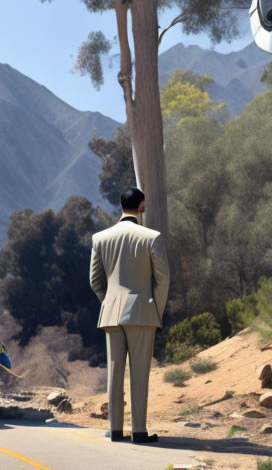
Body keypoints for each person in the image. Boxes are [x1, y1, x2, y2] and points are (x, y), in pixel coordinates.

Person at [89, 186, 170, 444]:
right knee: (139, 373)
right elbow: (163, 278)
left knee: (114, 372)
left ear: (120, 205)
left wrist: (109, 302)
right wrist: (154, 307)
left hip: (111, 313)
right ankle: (139, 432)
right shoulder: (152, 237)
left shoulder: (100, 238)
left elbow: (95, 281)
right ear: (142, 206)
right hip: (141, 312)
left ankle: (114, 430)